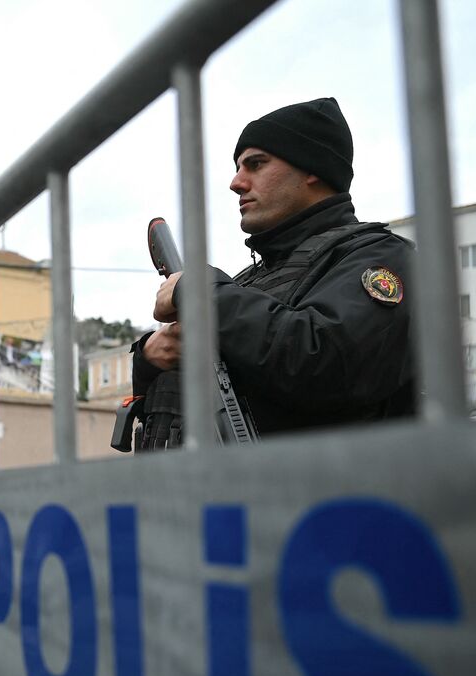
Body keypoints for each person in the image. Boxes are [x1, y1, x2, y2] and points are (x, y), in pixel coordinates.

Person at [131, 97, 414, 443]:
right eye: (238, 167)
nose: (236, 182)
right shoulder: (246, 283)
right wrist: (150, 356)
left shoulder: (382, 258)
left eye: (256, 164)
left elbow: (325, 362)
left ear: (312, 168)